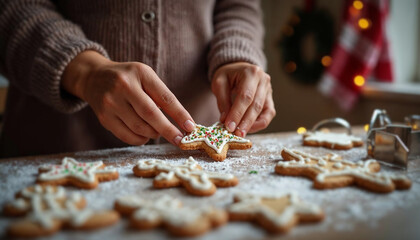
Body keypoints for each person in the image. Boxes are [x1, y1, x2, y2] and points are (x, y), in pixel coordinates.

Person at [0, 0, 275, 158]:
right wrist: (84, 72)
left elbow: (238, 5)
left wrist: (237, 55)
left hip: (195, 153)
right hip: (55, 146)